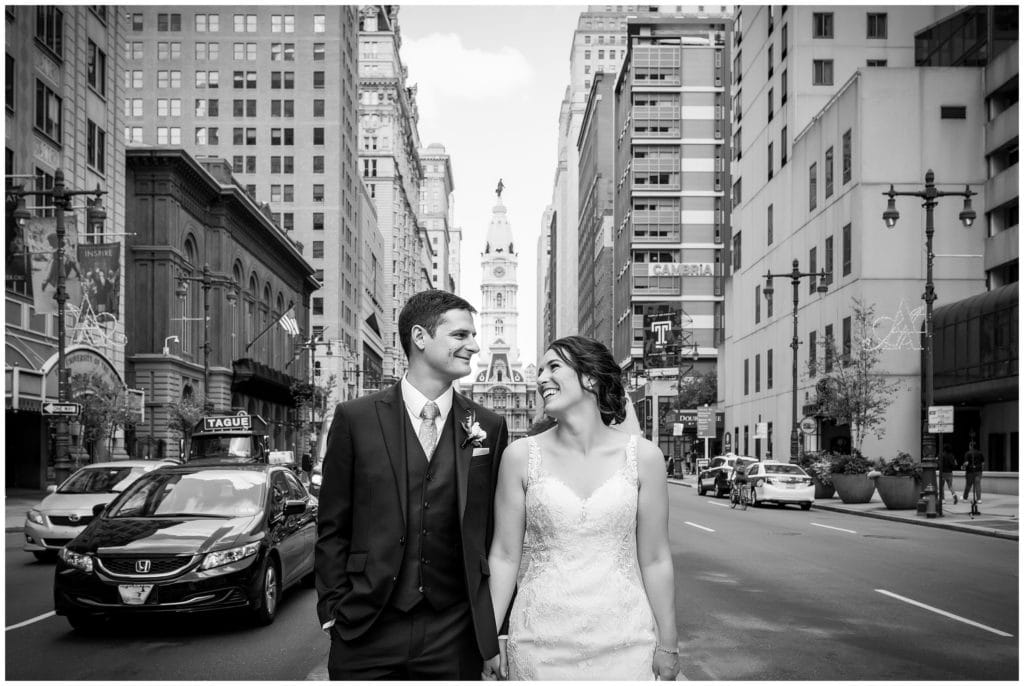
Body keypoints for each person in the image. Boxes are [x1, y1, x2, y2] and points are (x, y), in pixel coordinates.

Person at [315, 289, 510, 680]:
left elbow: (496, 535)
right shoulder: (355, 418)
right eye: (460, 335)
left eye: (473, 335)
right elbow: (332, 524)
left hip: (454, 632)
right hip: (366, 628)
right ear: (420, 337)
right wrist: (334, 611)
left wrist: (494, 629)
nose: (474, 345)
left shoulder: (488, 426)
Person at [487, 336, 680, 680]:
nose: (541, 377)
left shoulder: (645, 458)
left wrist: (668, 641)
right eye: (541, 370)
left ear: (590, 378)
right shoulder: (519, 456)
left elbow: (655, 558)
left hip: (626, 637)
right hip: (539, 640)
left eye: (554, 367)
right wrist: (487, 638)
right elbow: (504, 556)